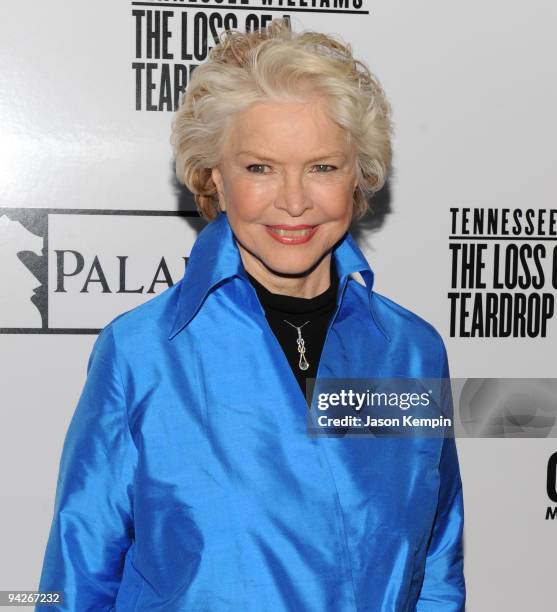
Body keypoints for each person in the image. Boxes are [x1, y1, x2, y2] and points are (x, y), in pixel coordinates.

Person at [36, 18, 465, 611]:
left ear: (360, 175)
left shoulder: (411, 350)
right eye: (260, 167)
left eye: (323, 167)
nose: (294, 200)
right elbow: (73, 580)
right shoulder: (142, 354)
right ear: (214, 173)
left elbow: (437, 563)